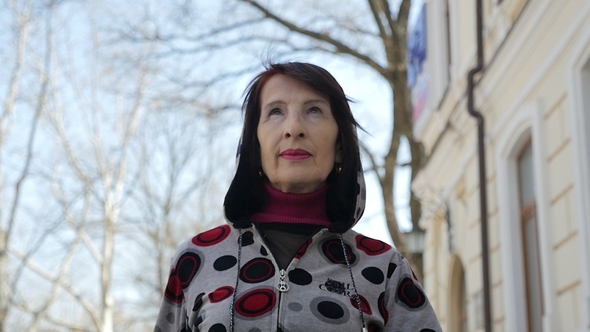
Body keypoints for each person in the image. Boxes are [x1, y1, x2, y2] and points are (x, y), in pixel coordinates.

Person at [154, 62, 442, 332]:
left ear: (341, 145)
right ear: (254, 144)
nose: (294, 129)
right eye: (276, 112)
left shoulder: (383, 268)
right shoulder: (195, 260)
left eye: (314, 110)